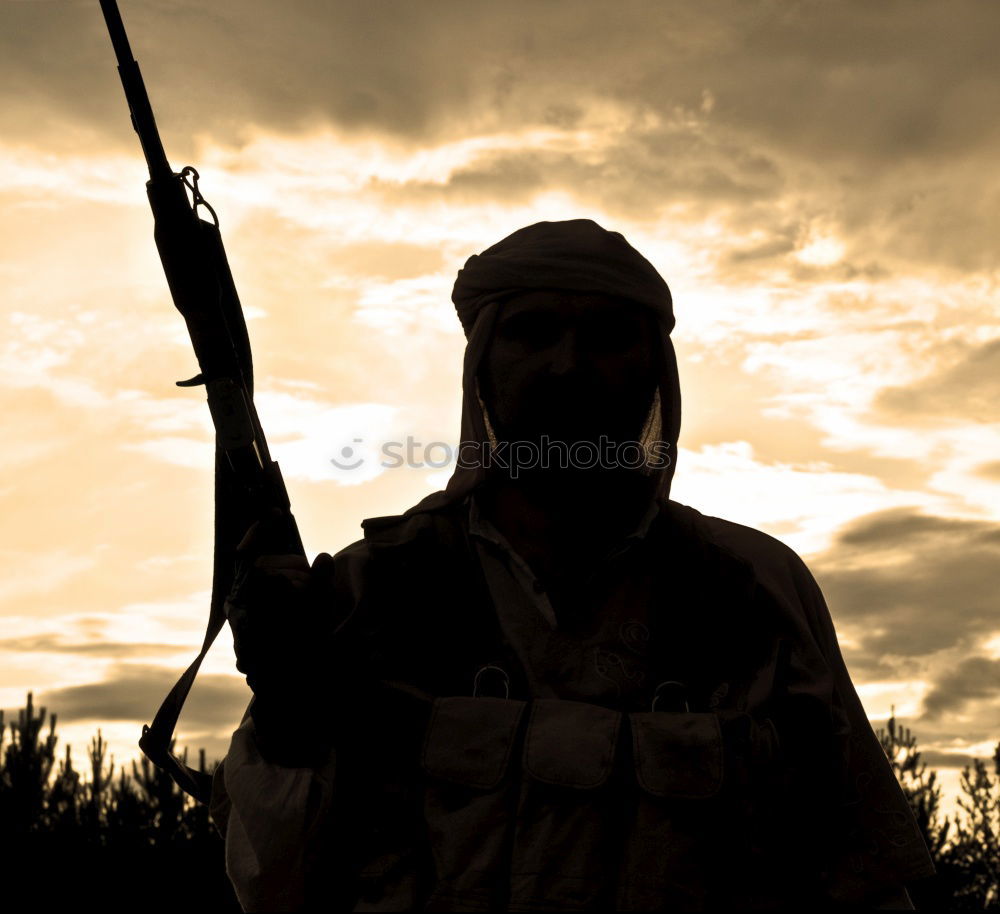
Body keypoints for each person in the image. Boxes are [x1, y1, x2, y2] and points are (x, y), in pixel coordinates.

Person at [209, 220, 936, 912]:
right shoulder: (371, 592)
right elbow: (272, 888)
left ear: (655, 373)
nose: (568, 365)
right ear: (483, 369)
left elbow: (862, 880)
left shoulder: (755, 589)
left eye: (608, 337)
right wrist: (286, 710)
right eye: (532, 331)